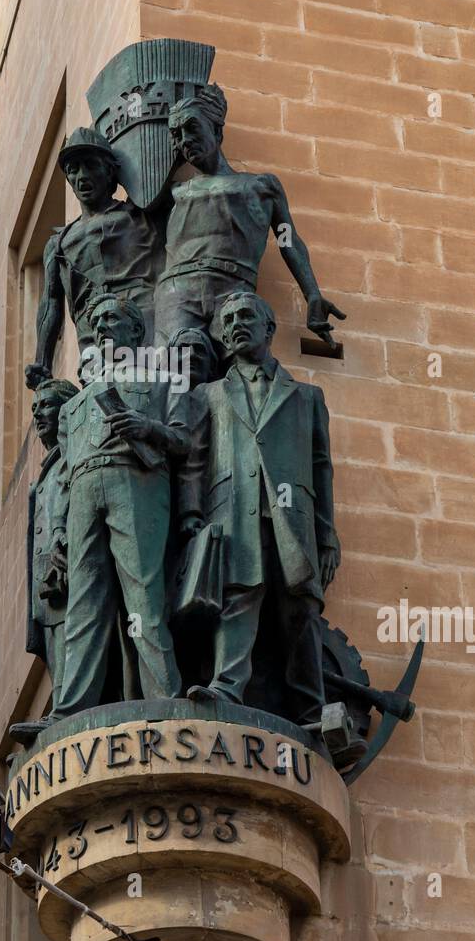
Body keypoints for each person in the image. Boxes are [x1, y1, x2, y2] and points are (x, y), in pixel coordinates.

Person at [179, 291, 340, 724]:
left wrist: (327, 535)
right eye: (228, 320)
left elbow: (321, 469)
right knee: (239, 597)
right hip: (232, 512)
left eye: (245, 316)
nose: (235, 326)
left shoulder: (307, 397)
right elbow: (194, 461)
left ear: (269, 328)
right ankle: (227, 687)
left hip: (292, 519)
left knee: (301, 611)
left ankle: (312, 709)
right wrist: (191, 516)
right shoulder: (208, 395)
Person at [46, 294, 189, 719]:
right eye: (96, 321)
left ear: (136, 330)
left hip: (136, 481)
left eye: (111, 318)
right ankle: (69, 708)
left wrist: (147, 427)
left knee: (143, 592)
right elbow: (63, 474)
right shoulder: (73, 406)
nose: (101, 327)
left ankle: (165, 697)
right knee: (84, 602)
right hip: (84, 491)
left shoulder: (164, 380)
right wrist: (58, 528)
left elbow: (184, 438)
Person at [155, 85, 345, 350]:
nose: (185, 140)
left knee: (242, 364)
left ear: (217, 131)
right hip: (177, 292)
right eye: (177, 135)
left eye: (192, 128)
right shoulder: (173, 193)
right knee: (175, 366)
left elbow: (287, 240)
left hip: (233, 290)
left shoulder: (261, 187)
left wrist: (312, 293)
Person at [24, 127, 163, 388]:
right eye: (73, 169)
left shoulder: (139, 216)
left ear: (110, 171)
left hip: (142, 319)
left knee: (150, 389)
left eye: (90, 165)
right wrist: (42, 361)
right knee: (102, 400)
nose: (82, 176)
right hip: (93, 331)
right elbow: (51, 302)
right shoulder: (58, 244)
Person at [10, 378, 79, 744]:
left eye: (47, 406)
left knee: (71, 638)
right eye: (34, 409)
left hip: (66, 568)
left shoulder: (72, 456)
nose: (38, 416)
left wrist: (64, 543)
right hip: (46, 579)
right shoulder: (46, 470)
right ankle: (61, 707)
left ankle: (66, 709)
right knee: (55, 645)